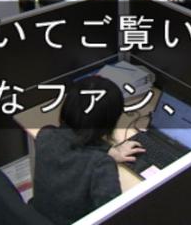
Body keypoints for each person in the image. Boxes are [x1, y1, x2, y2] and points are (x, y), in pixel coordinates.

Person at [31, 76, 144, 225]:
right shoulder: (100, 165)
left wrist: (108, 150)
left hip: (38, 215)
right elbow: (113, 216)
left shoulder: (46, 135)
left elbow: (74, 143)